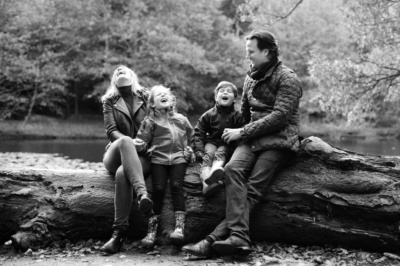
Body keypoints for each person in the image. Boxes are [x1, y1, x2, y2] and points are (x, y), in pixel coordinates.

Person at [182, 29, 302, 257]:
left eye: (251, 52)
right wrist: (237, 134)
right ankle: (238, 238)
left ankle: (215, 240)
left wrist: (243, 131)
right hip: (252, 139)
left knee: (253, 190)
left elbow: (280, 117)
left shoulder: (288, 78)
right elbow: (245, 113)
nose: (248, 56)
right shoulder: (250, 78)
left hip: (279, 140)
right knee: (230, 170)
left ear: (266, 51)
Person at [99, 65, 154, 255]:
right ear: (114, 80)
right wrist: (130, 141)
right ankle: (142, 194)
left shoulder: (146, 97)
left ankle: (118, 235)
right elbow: (111, 131)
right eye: (117, 72)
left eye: (125, 70)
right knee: (124, 140)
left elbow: (155, 125)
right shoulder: (109, 101)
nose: (120, 71)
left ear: (133, 76)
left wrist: (144, 143)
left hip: (142, 154)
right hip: (116, 151)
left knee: (123, 174)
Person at [134, 85, 195, 247]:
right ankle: (152, 231)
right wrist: (139, 145)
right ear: (153, 104)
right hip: (158, 160)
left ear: (171, 99)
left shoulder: (181, 119)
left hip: (178, 159)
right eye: (159, 95)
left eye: (166, 94)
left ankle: (179, 228)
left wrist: (191, 150)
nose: (163, 95)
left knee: (176, 185)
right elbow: (142, 141)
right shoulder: (150, 121)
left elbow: (193, 138)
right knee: (158, 189)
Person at [193, 81, 246, 197]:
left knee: (221, 152)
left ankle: (216, 170)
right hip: (211, 141)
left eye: (229, 91)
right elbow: (199, 131)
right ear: (216, 97)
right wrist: (198, 149)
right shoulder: (209, 114)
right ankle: (206, 184)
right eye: (221, 91)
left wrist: (236, 146)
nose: (225, 93)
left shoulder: (237, 116)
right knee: (209, 154)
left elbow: (243, 132)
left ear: (234, 98)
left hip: (226, 143)